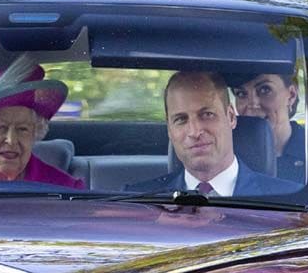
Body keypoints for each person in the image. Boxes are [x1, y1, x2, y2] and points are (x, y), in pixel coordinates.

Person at [126, 71, 297, 196]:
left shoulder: (289, 198)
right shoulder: (138, 200)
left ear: (231, 116)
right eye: (181, 120)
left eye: (207, 115)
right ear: (169, 130)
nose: (194, 131)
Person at [0, 57, 84, 189]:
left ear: (34, 135)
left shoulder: (65, 188)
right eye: (0, 127)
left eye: (22, 129)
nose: (12, 140)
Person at [231, 72, 305, 183]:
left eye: (265, 90)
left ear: (291, 95)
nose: (252, 104)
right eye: (241, 94)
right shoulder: (225, 152)